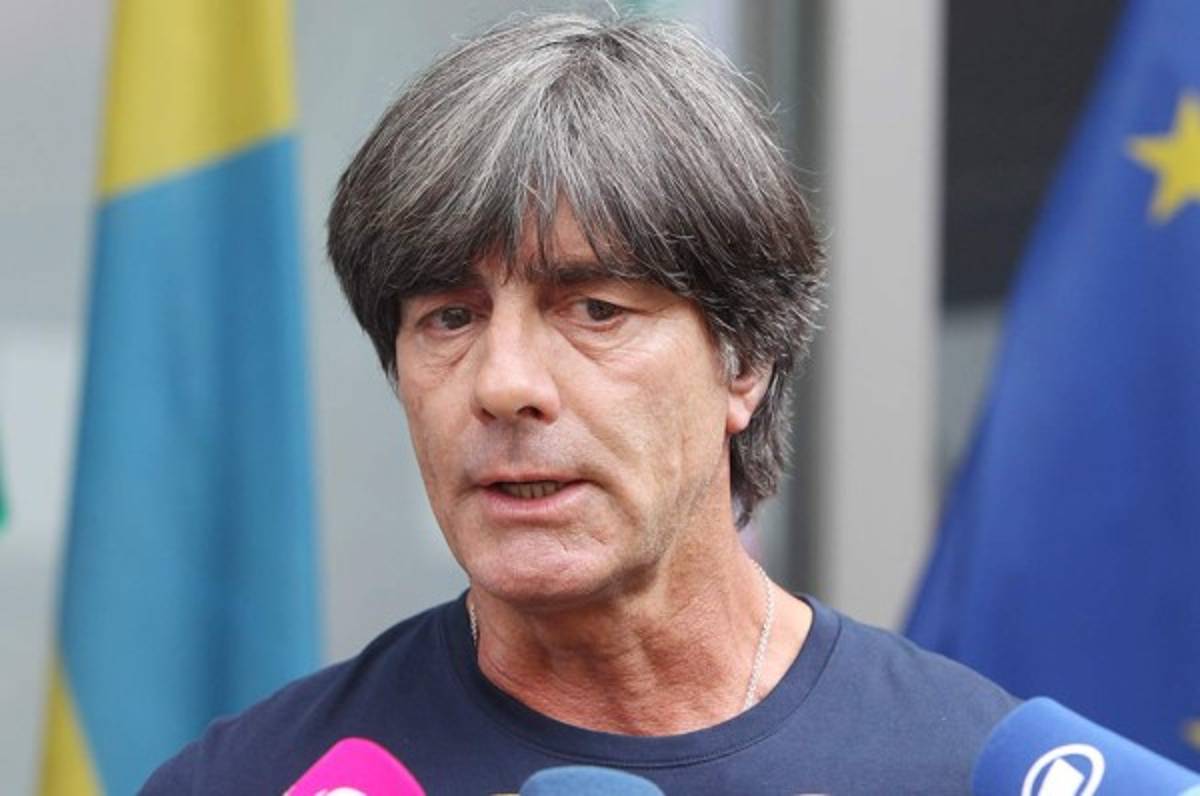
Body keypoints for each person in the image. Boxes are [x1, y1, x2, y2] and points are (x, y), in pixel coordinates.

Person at [143, 12, 1016, 794]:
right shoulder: (252, 780)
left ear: (744, 359)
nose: (505, 384)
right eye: (451, 318)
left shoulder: (968, 768)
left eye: (594, 310)